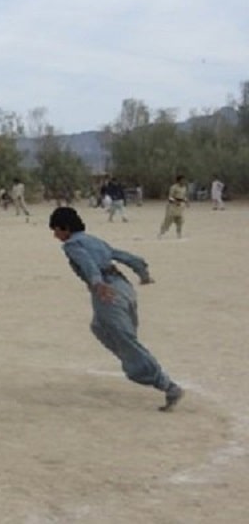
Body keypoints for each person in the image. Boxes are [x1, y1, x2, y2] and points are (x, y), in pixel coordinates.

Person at [49, 207, 183, 412]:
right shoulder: (93, 240)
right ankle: (134, 361)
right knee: (99, 327)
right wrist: (143, 273)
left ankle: (167, 385)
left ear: (65, 229)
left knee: (125, 340)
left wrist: (97, 283)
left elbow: (88, 264)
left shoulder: (71, 244)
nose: (55, 235)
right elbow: (123, 256)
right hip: (124, 288)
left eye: (56, 230)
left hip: (107, 291)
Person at [158, 175, 188, 239]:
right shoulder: (173, 187)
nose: (183, 181)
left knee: (180, 220)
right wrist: (175, 202)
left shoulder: (184, 188)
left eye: (184, 180)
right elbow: (170, 197)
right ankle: (161, 233)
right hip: (172, 206)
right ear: (178, 180)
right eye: (182, 180)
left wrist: (186, 201)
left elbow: (183, 196)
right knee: (168, 221)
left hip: (180, 206)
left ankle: (179, 234)